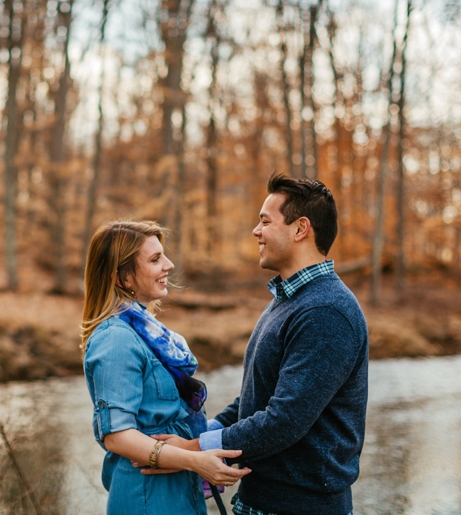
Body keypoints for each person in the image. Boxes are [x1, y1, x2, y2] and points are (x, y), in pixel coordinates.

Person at [150, 173, 369, 515]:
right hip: (263, 501)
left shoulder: (326, 310)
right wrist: (205, 431)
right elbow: (260, 395)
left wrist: (192, 451)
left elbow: (284, 420)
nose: (256, 231)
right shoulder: (289, 300)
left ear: (300, 229)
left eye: (265, 221)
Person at [82, 220, 251, 515]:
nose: (169, 265)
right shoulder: (115, 338)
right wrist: (196, 460)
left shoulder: (149, 334)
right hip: (147, 497)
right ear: (123, 278)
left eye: (164, 255)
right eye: (155, 259)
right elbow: (117, 435)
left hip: (177, 489)